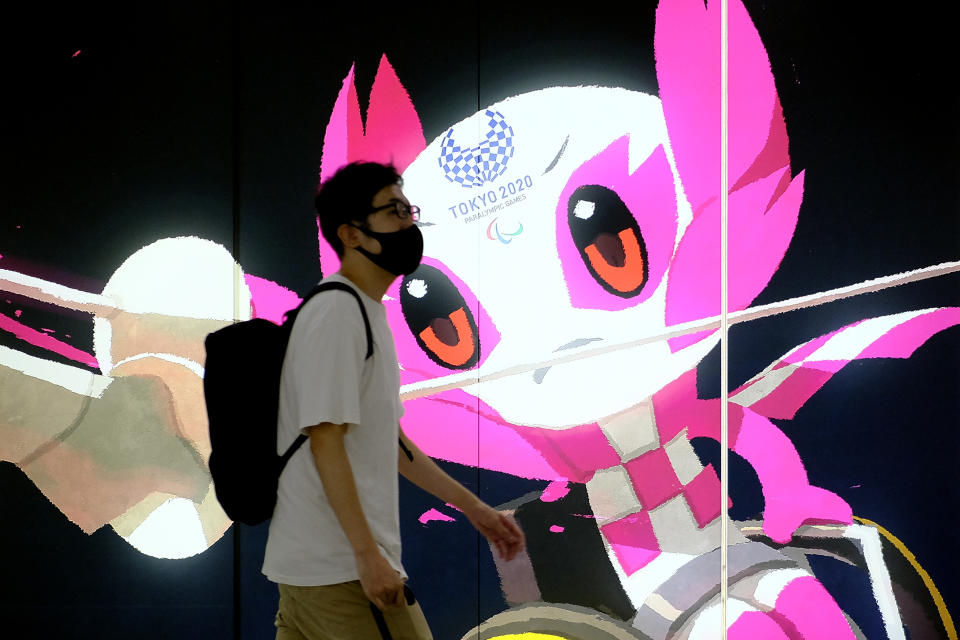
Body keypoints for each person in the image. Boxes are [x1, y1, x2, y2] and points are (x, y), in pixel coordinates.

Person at [262, 162, 526, 640]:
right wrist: (367, 556)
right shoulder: (338, 313)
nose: (409, 222)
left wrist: (475, 509)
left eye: (409, 209)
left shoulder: (364, 312)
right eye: (393, 211)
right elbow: (325, 440)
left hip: (313, 570)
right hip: (339, 569)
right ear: (352, 234)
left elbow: (389, 443)